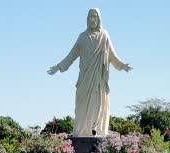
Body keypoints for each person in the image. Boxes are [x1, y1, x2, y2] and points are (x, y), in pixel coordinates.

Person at [48, 8, 132, 137]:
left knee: (97, 106)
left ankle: (95, 131)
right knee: (81, 106)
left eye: (95, 16)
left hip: (98, 79)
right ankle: (81, 132)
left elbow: (112, 55)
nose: (92, 19)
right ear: (87, 19)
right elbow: (72, 55)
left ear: (99, 19)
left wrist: (122, 65)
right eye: (90, 17)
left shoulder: (104, 36)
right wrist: (59, 66)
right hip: (84, 79)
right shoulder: (82, 37)